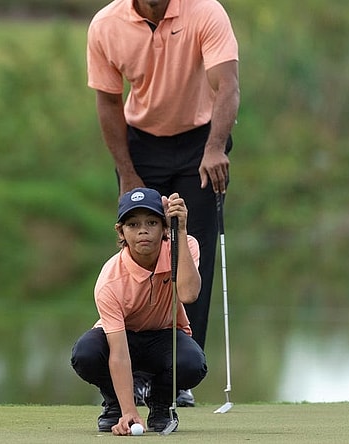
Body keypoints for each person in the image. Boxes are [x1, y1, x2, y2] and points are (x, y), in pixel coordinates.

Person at [86, 0, 240, 407]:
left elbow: (227, 85)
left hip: (199, 144)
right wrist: (127, 171)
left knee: (193, 252)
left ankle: (181, 376)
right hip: (141, 143)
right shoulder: (106, 24)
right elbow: (107, 102)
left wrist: (215, 148)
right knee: (140, 253)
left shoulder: (205, 12)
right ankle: (136, 374)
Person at [70, 188, 207, 435]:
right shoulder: (110, 280)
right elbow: (119, 354)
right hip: (123, 338)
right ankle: (114, 406)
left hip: (165, 335)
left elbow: (188, 294)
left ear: (165, 228)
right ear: (121, 231)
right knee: (86, 353)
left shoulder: (184, 246)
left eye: (152, 222)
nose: (143, 230)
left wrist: (181, 230)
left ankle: (160, 403)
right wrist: (128, 411)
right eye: (133, 224)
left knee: (192, 364)